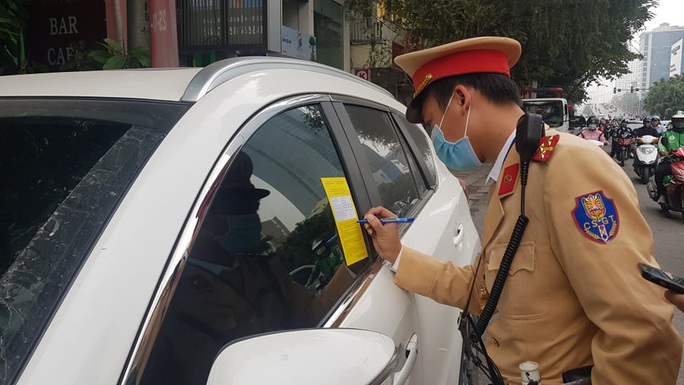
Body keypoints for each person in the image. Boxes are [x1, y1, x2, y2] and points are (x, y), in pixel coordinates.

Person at [361, 36, 681, 384]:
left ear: (462, 100)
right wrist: (398, 254)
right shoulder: (514, 178)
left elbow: (639, 327)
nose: (435, 137)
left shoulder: (567, 168)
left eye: (433, 123)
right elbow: (486, 289)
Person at [142, 151, 353, 385]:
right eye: (240, 205)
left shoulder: (265, 270)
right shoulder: (165, 301)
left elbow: (314, 315)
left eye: (253, 205)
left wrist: (355, 263)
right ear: (203, 216)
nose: (251, 215)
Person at [655, 112, 684, 205]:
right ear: (673, 121)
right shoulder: (667, 134)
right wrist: (664, 152)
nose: (679, 122)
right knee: (659, 172)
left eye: (681, 120)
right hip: (670, 161)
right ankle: (662, 194)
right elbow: (661, 144)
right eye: (677, 120)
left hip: (683, 162)